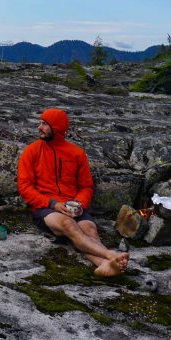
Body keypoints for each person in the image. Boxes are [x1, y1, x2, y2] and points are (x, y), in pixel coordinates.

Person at [17, 108, 129, 277]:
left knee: (89, 229)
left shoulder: (77, 153)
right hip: (46, 208)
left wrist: (79, 204)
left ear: (58, 128)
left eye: (45, 124)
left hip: (73, 206)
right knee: (69, 225)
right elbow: (24, 187)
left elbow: (86, 186)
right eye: (41, 122)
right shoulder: (31, 151)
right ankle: (109, 255)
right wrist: (52, 204)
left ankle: (104, 265)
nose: (39, 127)